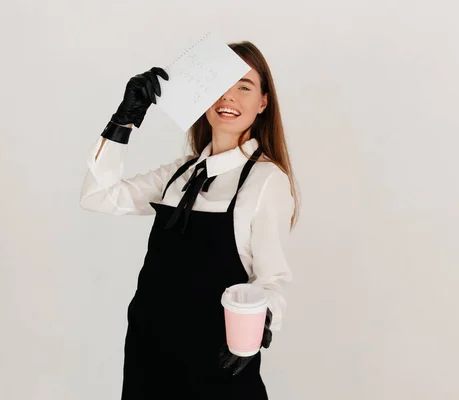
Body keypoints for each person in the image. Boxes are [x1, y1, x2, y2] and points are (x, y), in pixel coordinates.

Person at [80, 41, 299, 399]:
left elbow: (272, 280)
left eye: (243, 86)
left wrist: (260, 325)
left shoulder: (265, 181)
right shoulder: (179, 174)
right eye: (219, 87)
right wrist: (123, 119)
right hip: (148, 358)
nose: (229, 98)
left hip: (216, 365)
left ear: (263, 102)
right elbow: (97, 196)